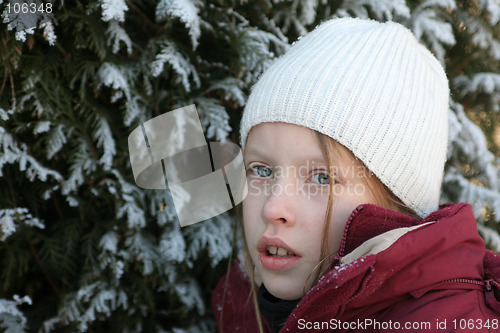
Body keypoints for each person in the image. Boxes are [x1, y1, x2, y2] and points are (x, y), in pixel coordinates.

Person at [211, 17, 500, 332]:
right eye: (262, 170)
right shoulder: (246, 308)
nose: (272, 208)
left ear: (397, 203)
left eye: (322, 178)